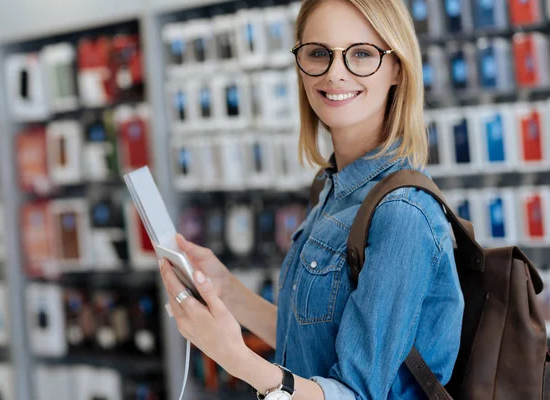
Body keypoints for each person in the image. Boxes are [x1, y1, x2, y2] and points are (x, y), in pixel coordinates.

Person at [159, 0, 465, 398]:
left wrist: (236, 358)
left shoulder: (401, 212)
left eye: (361, 54)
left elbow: (356, 394)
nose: (335, 73)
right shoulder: (332, 189)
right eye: (318, 53)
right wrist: (226, 289)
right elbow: (313, 336)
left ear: (397, 67)